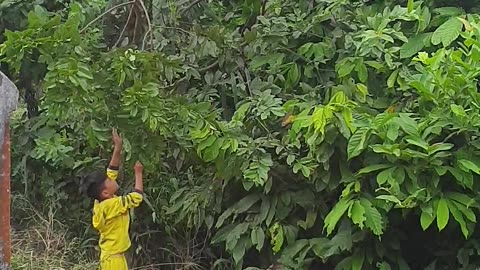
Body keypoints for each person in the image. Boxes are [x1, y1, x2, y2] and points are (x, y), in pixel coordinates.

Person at [80, 128, 144, 270]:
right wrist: (138, 173)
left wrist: (118, 147)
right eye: (108, 180)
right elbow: (137, 197)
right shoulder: (112, 204)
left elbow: (112, 170)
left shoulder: (101, 201)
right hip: (115, 261)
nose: (111, 177)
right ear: (106, 193)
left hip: (109, 256)